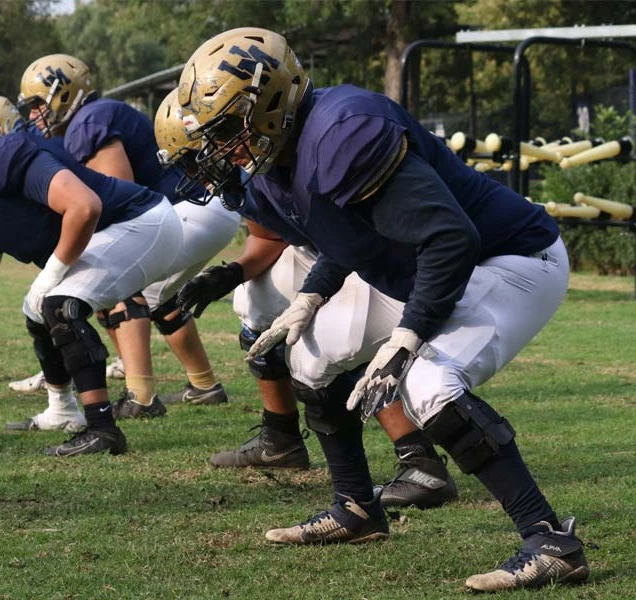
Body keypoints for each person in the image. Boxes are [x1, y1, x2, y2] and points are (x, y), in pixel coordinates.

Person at [171, 27, 589, 592]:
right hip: (427, 266)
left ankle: (549, 540)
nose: (225, 151)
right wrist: (310, 299)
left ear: (269, 101)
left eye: (227, 129)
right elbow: (350, 238)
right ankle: (357, 509)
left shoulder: (344, 130)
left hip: (512, 258)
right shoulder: (274, 167)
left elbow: (450, 239)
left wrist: (408, 338)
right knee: (310, 359)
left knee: (428, 384)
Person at [157, 90, 458, 511]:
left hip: (362, 249)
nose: (198, 171)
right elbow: (269, 238)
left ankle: (419, 458)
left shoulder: (279, 149)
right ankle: (280, 436)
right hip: (322, 251)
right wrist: (229, 274)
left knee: (340, 340)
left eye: (198, 156)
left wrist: (319, 290)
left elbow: (352, 228)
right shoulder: (247, 170)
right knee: (255, 300)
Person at [0, 91, 182, 456]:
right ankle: (63, 409)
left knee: (58, 303)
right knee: (36, 311)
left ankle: (102, 428)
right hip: (113, 232)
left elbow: (84, 206)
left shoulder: (6, 156)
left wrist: (54, 272)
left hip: (144, 222)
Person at [9, 54, 239, 419]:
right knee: (162, 298)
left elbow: (121, 199)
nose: (35, 114)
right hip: (205, 209)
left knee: (116, 278)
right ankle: (204, 385)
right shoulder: (95, 115)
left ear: (62, 93)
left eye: (38, 104)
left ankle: (141, 397)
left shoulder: (89, 120)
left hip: (188, 210)